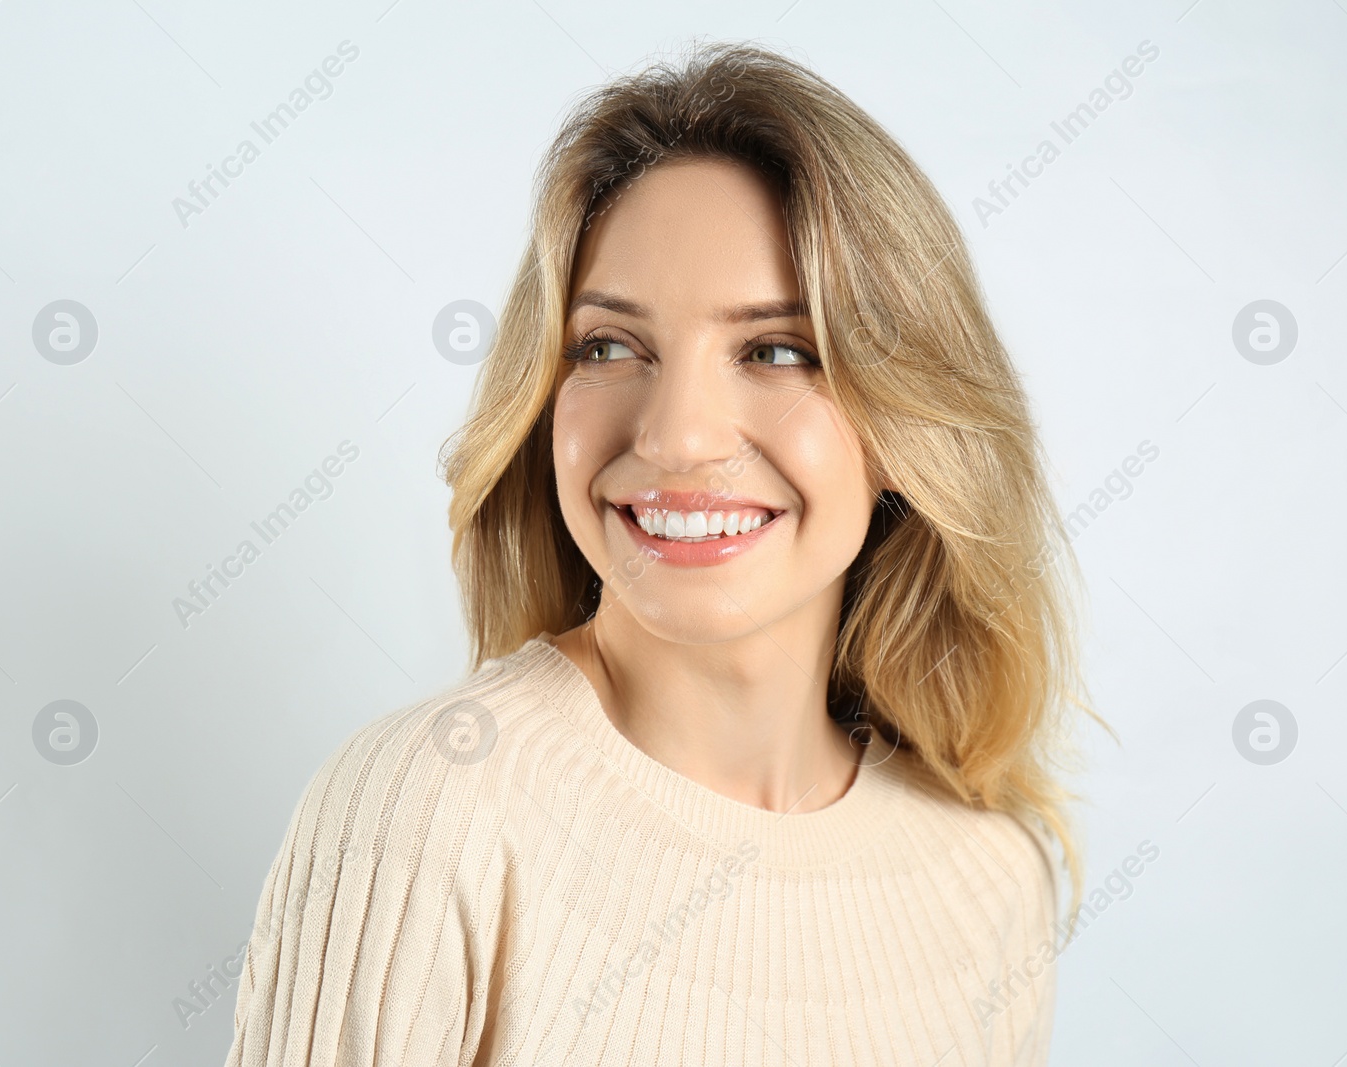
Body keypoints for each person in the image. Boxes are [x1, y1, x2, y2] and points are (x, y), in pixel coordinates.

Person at [226, 41, 1097, 1066]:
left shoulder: (987, 875)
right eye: (607, 346)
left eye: (777, 350)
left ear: (906, 430)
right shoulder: (428, 812)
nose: (678, 435)